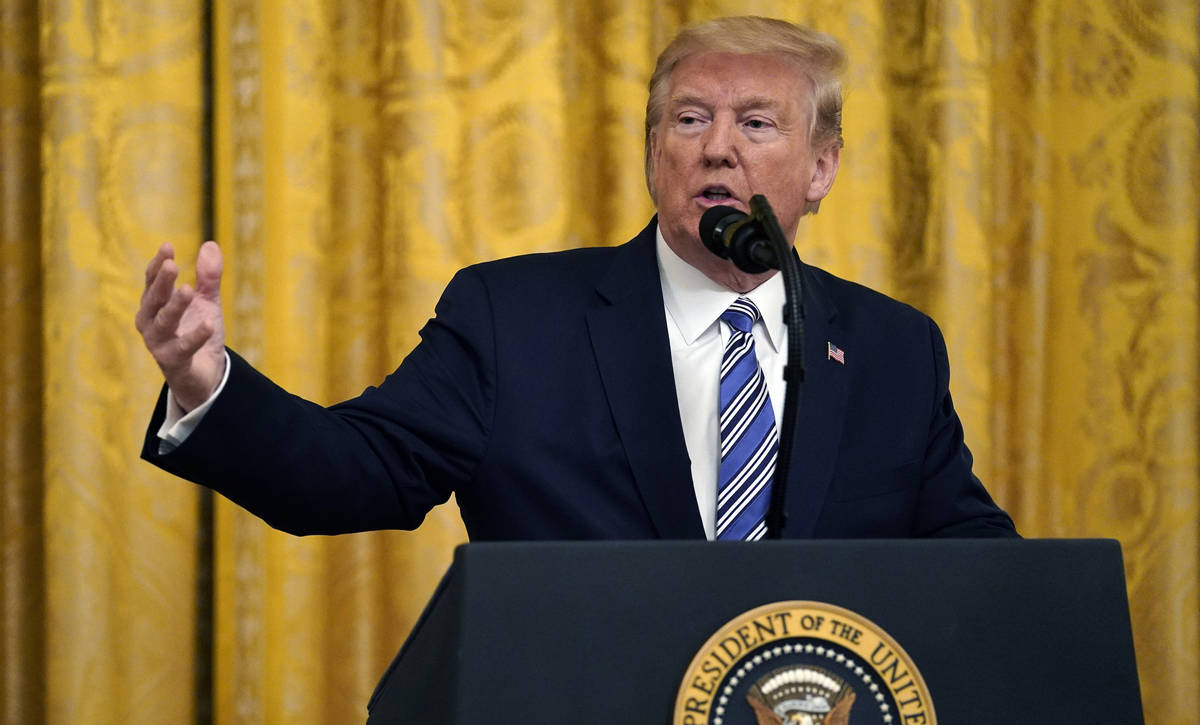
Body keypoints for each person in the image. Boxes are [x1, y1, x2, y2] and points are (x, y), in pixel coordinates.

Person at [136, 16, 1017, 542]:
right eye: (689, 118)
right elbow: (352, 473)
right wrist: (207, 384)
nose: (717, 146)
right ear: (653, 151)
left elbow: (972, 562)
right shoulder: (514, 319)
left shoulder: (893, 348)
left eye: (757, 123)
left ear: (821, 169)